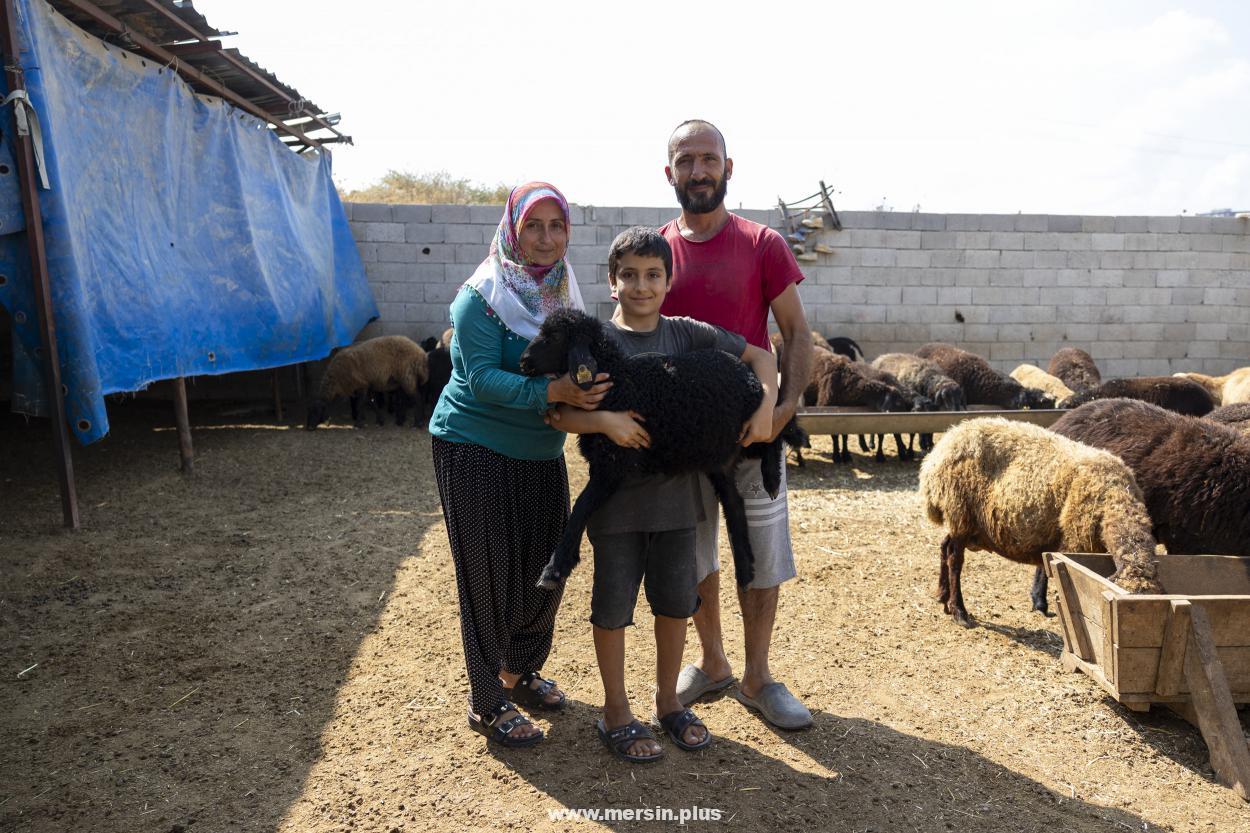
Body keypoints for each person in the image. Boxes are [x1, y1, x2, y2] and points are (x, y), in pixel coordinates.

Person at [547, 226, 777, 762]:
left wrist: (765, 406)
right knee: (612, 607)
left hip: (681, 506)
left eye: (653, 275)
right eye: (629, 275)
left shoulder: (687, 335)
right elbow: (559, 412)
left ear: (669, 281)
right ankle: (616, 711)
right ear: (612, 282)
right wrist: (605, 421)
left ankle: (669, 702)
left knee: (675, 606)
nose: (642, 286)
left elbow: (760, 357)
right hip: (617, 508)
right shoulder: (596, 344)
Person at [428, 182, 611, 748]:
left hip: (540, 450)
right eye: (534, 225)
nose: (546, 238)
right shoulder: (480, 296)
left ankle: (520, 669)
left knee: (548, 569)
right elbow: (479, 378)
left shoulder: (565, 294)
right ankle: (487, 700)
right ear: (513, 228)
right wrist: (552, 389)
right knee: (489, 578)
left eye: (557, 226)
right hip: (474, 447)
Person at [659, 119, 816, 730]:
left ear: (729, 167)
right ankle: (713, 660)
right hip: (685, 442)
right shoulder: (653, 252)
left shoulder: (762, 244)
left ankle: (757, 675)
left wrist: (782, 411)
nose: (698, 171)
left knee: (762, 557)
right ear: (668, 171)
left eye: (708, 159)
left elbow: (797, 332)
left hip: (755, 435)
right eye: (685, 160)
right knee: (694, 554)